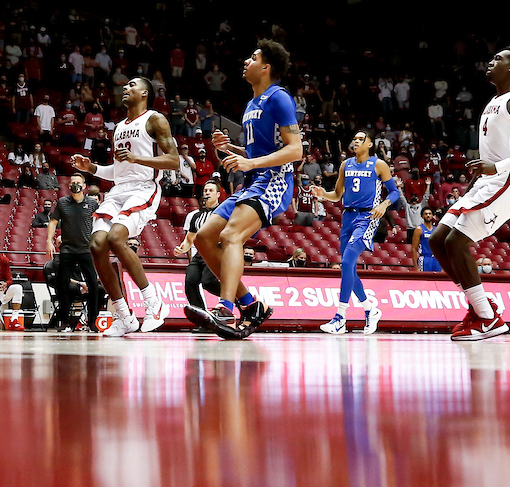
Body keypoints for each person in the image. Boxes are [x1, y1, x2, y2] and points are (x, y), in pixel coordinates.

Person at [430, 47, 510, 341]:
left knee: (456, 242)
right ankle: (480, 307)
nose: (490, 62)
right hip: (491, 180)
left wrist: (497, 166)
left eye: (498, 59)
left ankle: (486, 318)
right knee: (437, 241)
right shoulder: (495, 100)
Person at [189, 41, 302, 340]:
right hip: (252, 183)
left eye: (253, 58)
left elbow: (295, 150)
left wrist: (249, 162)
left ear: (266, 67)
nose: (246, 61)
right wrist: (232, 149)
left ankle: (226, 308)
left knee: (230, 236)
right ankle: (249, 305)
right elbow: (256, 151)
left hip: (274, 181)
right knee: (203, 237)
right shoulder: (251, 104)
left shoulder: (279, 98)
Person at [70, 77, 178, 336]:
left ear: (144, 93)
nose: (126, 88)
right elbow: (119, 172)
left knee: (117, 238)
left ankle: (154, 304)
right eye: (125, 85)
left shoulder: (155, 119)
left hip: (144, 188)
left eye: (132, 85)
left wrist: (137, 158)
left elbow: (174, 161)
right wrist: (92, 168)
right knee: (96, 245)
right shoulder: (118, 127)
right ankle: (124, 315)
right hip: (119, 190)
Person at [309, 131, 394, 334]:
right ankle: (370, 310)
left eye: (360, 139)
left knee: (346, 262)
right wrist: (323, 195)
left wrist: (384, 204)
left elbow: (394, 191)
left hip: (367, 217)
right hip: (347, 217)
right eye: (354, 138)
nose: (355, 141)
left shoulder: (378, 164)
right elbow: (337, 195)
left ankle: (340, 318)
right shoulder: (346, 164)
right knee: (349, 268)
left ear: (370, 143)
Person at [46, 171, 99, 332]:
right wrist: (49, 240)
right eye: (72, 182)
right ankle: (64, 321)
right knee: (62, 286)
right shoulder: (62, 202)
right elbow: (53, 222)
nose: (75, 185)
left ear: (84, 186)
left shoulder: (92, 203)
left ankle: (92, 321)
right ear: (69, 186)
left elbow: (100, 222)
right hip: (67, 249)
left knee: (93, 286)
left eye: (78, 182)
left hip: (85, 249)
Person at [177, 181, 223, 331]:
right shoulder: (195, 216)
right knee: (190, 281)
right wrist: (182, 248)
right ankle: (203, 320)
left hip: (215, 252)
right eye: (205, 190)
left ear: (218, 194)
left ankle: (235, 296)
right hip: (199, 254)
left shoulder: (223, 213)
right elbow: (189, 239)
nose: (207, 193)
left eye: (211, 190)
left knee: (208, 282)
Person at [412, 207, 441, 272]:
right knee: (425, 281)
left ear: (433, 215)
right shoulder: (419, 229)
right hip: (425, 259)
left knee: (438, 281)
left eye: (429, 214)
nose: (428, 215)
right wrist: (416, 268)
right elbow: (414, 248)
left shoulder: (436, 229)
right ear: (422, 216)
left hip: (436, 259)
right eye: (426, 214)